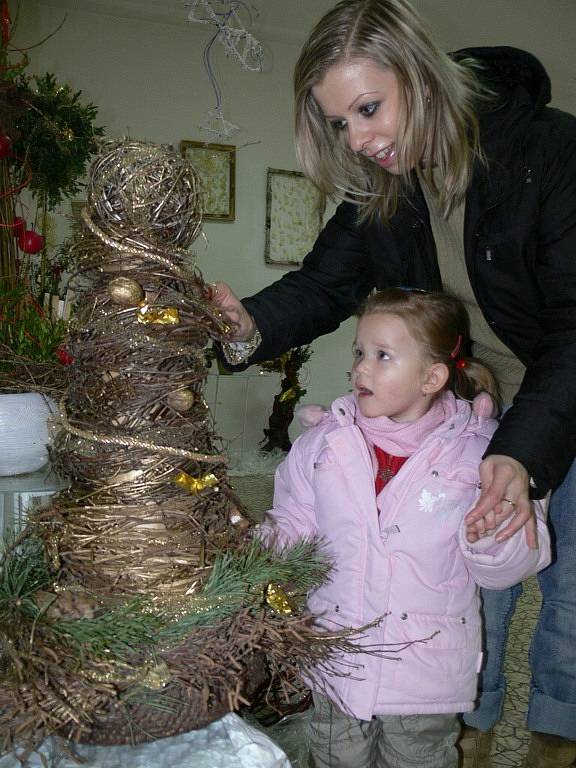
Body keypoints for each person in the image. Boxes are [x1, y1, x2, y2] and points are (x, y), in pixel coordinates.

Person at [213, 1, 576, 765]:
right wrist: (244, 325)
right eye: (340, 123)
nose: (361, 139)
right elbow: (322, 285)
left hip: (567, 387)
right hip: (480, 404)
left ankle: (553, 738)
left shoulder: (553, 152)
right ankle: (463, 731)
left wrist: (524, 452)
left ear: (418, 74)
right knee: (471, 576)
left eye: (369, 108)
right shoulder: (384, 185)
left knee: (570, 589)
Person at [257, 288, 551, 768]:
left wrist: (491, 536)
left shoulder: (480, 456)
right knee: (334, 758)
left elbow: (506, 569)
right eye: (359, 352)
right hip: (337, 657)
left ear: (432, 376)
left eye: (382, 356)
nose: (361, 369)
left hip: (422, 671)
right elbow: (293, 522)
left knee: (417, 759)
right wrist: (256, 548)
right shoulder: (326, 444)